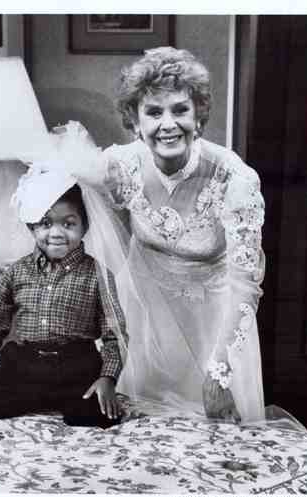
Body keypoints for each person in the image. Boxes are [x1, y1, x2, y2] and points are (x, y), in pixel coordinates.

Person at [73, 47, 267, 422]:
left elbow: (245, 285)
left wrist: (220, 370)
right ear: (134, 120)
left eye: (180, 110)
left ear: (199, 116)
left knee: (214, 438)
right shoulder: (120, 166)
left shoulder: (235, 178)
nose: (168, 124)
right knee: (139, 433)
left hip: (214, 329)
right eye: (154, 112)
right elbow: (98, 234)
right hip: (143, 324)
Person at [0, 160, 127, 429]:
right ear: (32, 227)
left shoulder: (98, 274)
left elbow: (114, 335)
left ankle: (63, 400)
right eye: (45, 223)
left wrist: (107, 379)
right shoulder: (17, 271)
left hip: (76, 368)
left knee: (97, 415)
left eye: (68, 224)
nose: (56, 233)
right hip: (23, 367)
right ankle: (32, 396)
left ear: (84, 226)